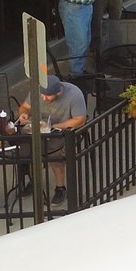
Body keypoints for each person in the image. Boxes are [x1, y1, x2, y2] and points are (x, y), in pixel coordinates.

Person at [17, 74, 89, 205]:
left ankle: (60, 188)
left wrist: (54, 127)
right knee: (26, 150)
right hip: (39, 129)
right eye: (42, 95)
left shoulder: (74, 94)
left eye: (48, 96)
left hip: (62, 132)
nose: (44, 98)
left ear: (59, 92)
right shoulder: (37, 91)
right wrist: (24, 113)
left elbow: (80, 120)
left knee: (55, 154)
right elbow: (25, 106)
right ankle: (34, 182)